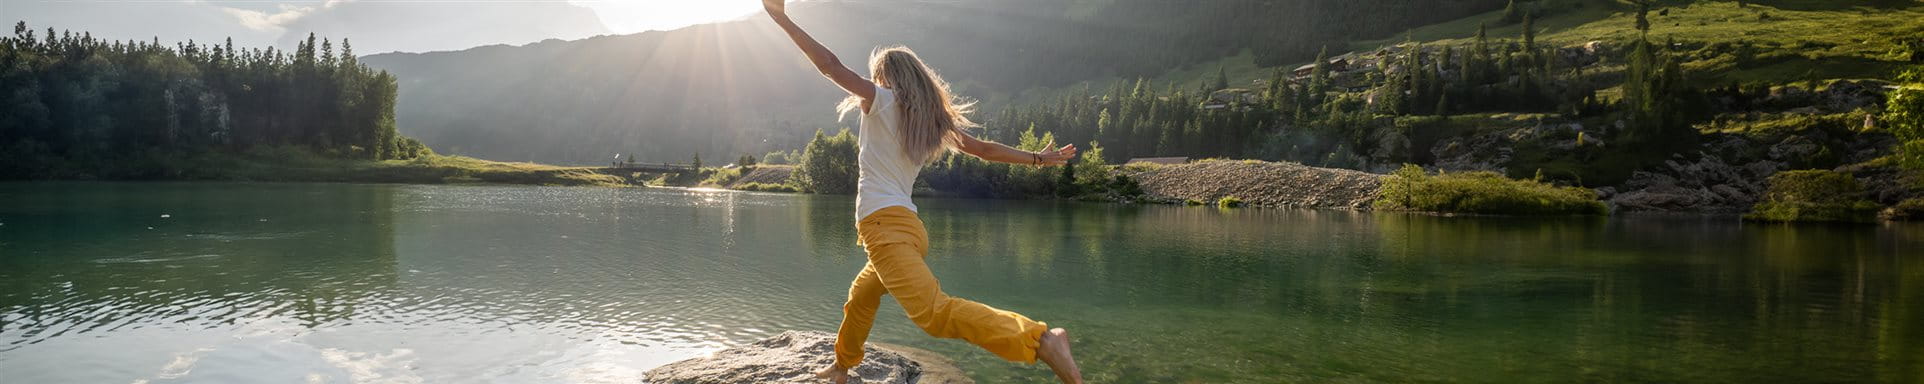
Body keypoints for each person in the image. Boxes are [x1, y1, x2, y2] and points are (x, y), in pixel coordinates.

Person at [761, 1, 1084, 383]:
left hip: (886, 229)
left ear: (886, 77)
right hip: (907, 229)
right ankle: (841, 367)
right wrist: (1037, 159)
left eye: (877, 77)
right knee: (861, 297)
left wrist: (781, 19)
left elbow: (830, 66)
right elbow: (984, 149)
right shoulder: (930, 120)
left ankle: (1040, 340)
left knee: (934, 314)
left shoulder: (881, 101)